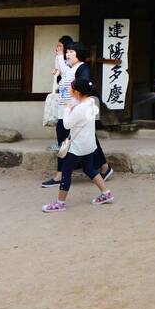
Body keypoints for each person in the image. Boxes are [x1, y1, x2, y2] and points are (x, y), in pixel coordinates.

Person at [42, 42, 114, 187]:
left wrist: (76, 105)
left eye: (71, 52)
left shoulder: (82, 68)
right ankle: (103, 168)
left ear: (79, 54)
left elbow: (84, 84)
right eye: (67, 52)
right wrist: (58, 64)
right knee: (86, 141)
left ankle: (60, 175)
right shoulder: (70, 68)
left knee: (65, 140)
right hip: (65, 110)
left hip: (74, 112)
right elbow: (64, 78)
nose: (67, 54)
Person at [42, 78, 114, 212]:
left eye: (71, 88)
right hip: (89, 144)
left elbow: (67, 124)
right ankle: (106, 193)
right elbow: (79, 105)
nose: (69, 90)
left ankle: (60, 203)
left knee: (66, 172)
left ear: (77, 92)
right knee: (90, 169)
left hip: (77, 147)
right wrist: (72, 105)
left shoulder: (79, 108)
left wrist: (67, 109)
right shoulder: (91, 101)